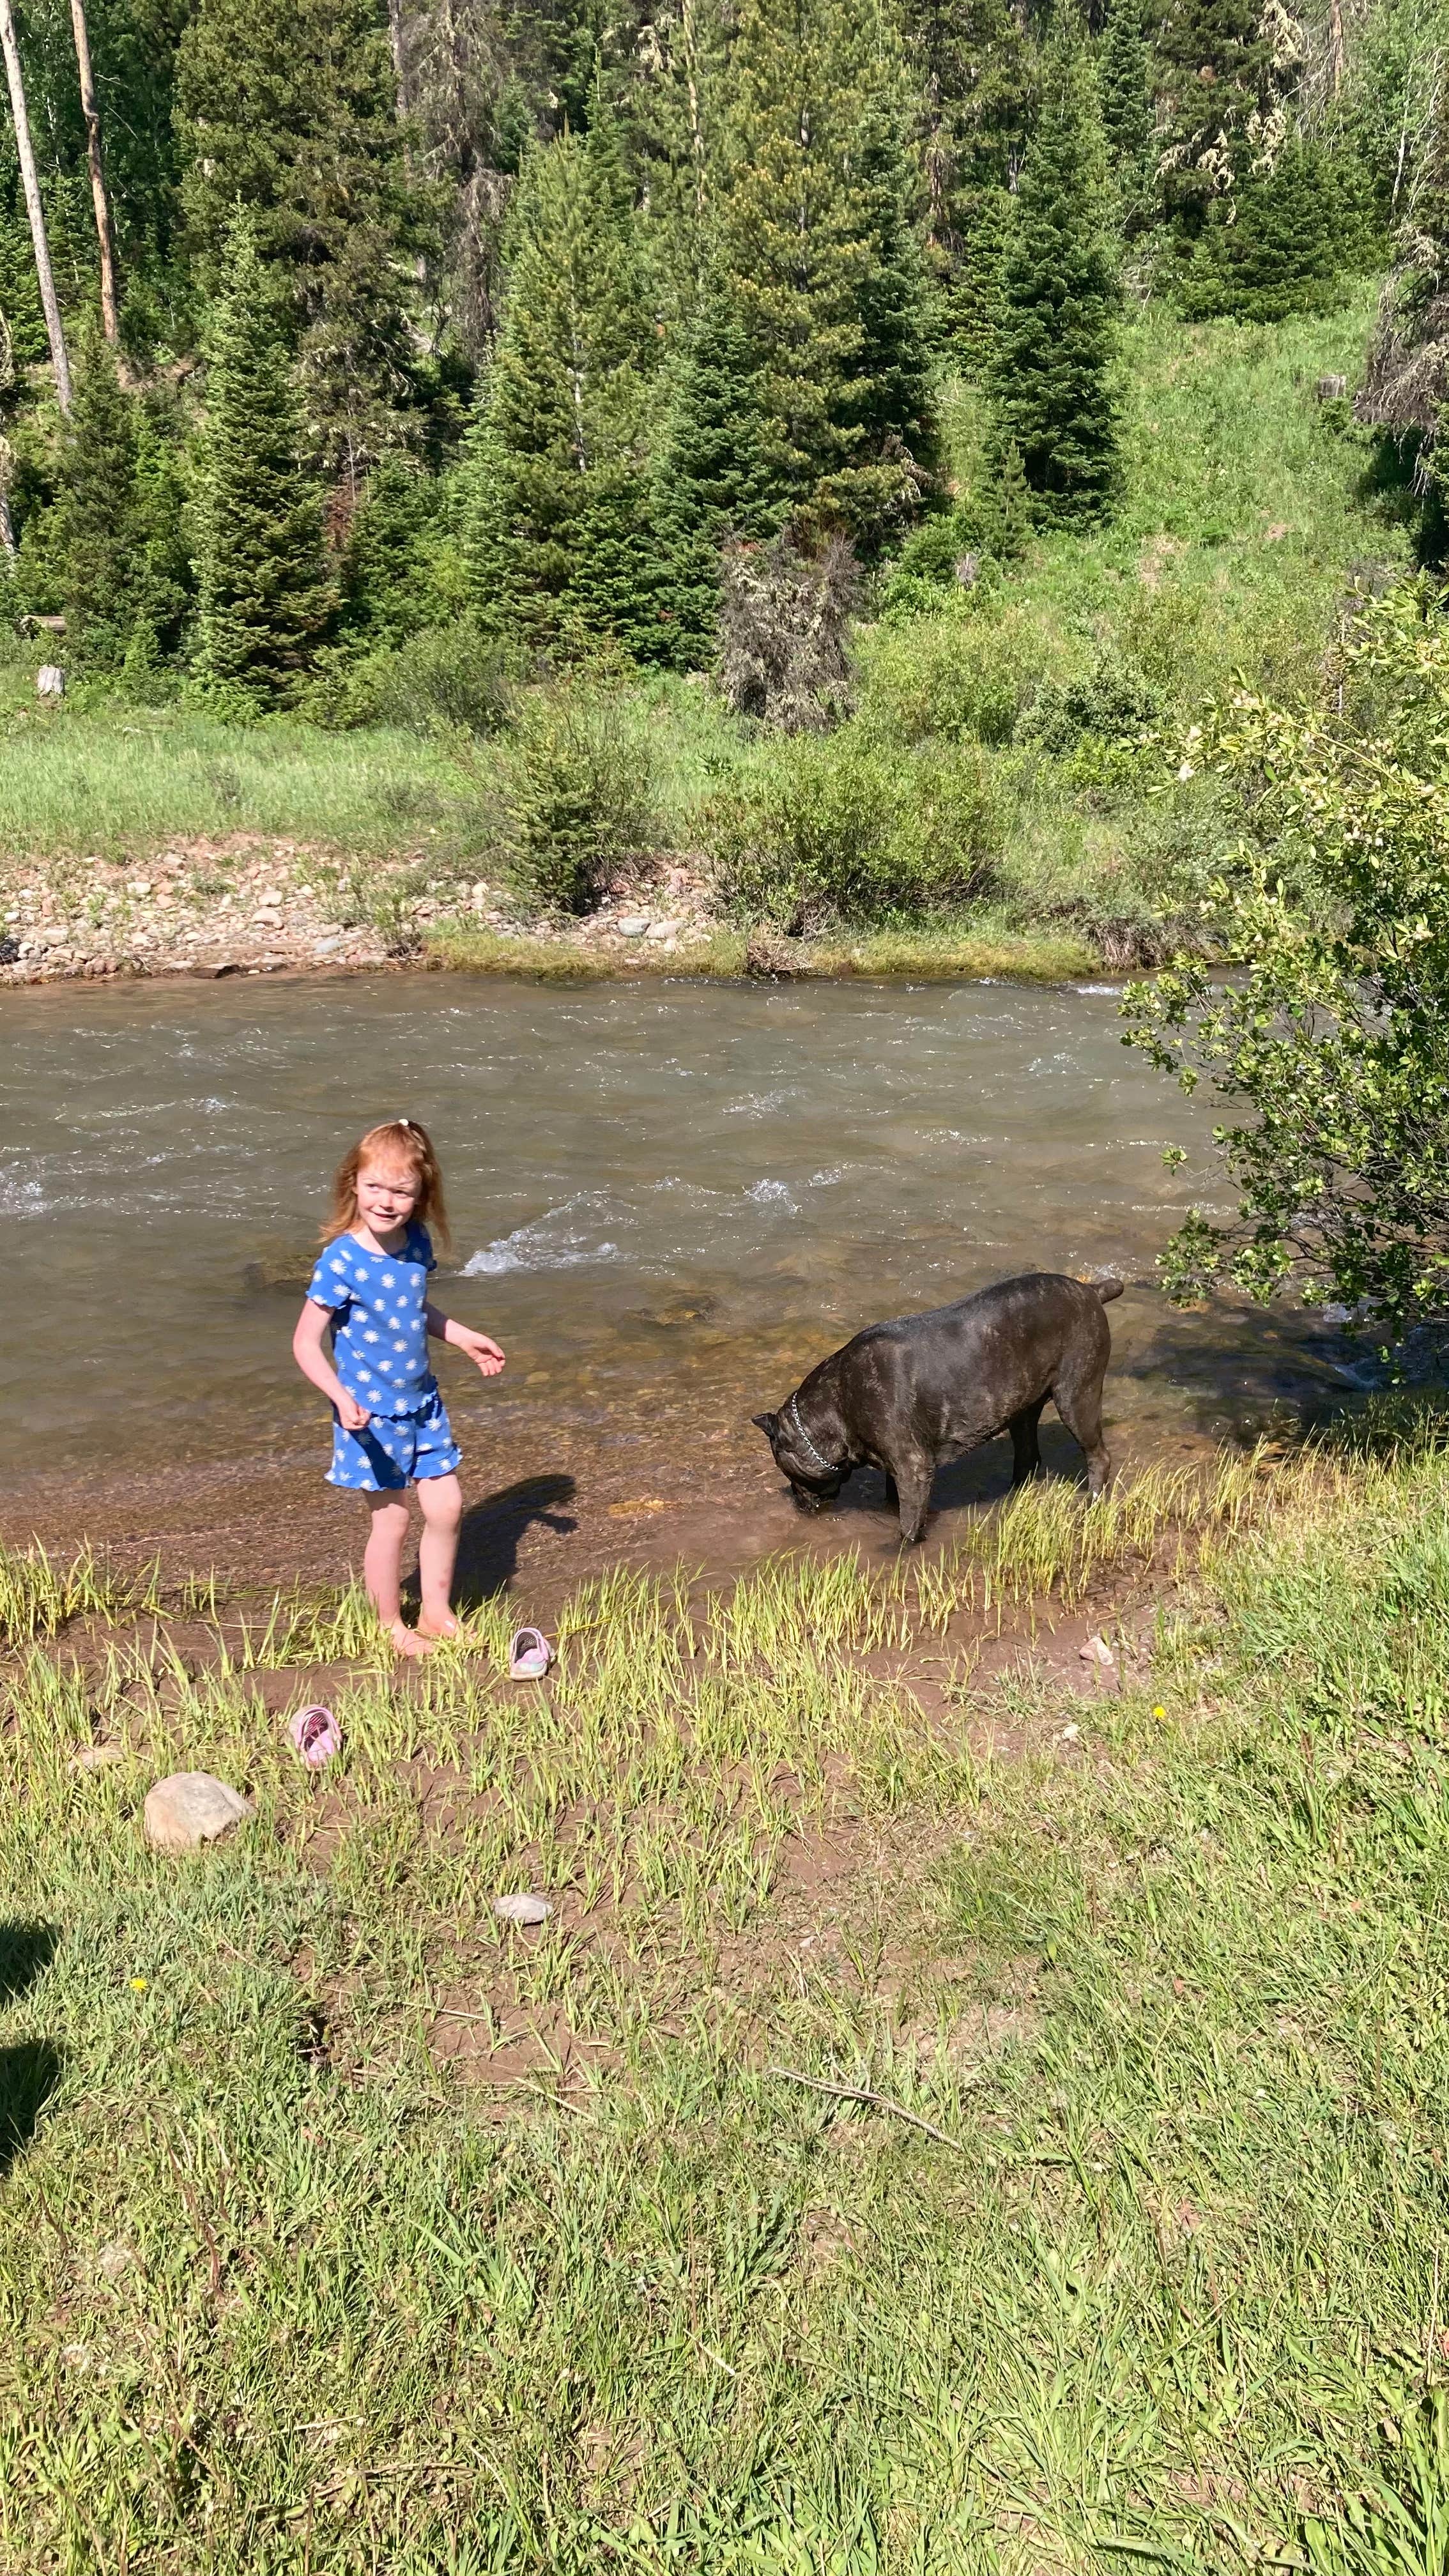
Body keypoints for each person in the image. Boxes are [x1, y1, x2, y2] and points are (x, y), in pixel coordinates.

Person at [293, 1117, 504, 1656]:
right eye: (375, 1187)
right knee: (392, 1520)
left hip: (423, 1404)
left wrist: (461, 1336)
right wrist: (341, 1398)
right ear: (353, 1185)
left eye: (402, 1191)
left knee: (447, 1508)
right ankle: (390, 1625)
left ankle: (435, 1614)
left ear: (422, 1195)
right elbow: (304, 1343)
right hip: (370, 1414)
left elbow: (414, 1309)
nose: (387, 1201)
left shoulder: (415, 1243)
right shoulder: (341, 1260)